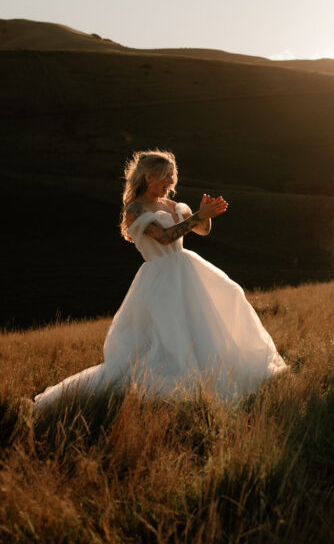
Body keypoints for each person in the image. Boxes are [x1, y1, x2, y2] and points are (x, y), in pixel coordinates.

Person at [34, 150, 287, 410]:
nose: (170, 181)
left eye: (172, 175)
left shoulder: (172, 205)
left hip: (186, 270)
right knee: (170, 331)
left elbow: (201, 230)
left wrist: (205, 215)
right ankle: (176, 388)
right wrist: (199, 216)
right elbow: (166, 237)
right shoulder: (135, 209)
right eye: (165, 176)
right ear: (148, 176)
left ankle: (216, 379)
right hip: (161, 277)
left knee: (216, 310)